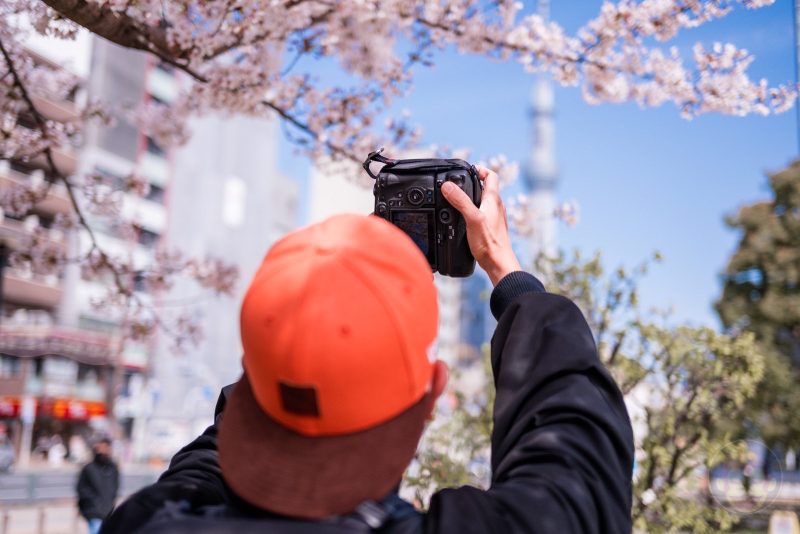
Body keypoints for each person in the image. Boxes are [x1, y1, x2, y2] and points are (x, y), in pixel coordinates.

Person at [103, 166, 634, 533]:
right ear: (430, 397)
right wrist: (506, 270)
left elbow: (205, 466)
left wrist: (296, 336)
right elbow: (575, 457)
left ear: (248, 397)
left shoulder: (148, 521)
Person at [77, 437, 119, 534]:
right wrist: (91, 503)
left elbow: (115, 487)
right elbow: (81, 488)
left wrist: (110, 503)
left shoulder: (113, 468)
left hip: (107, 511)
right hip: (92, 511)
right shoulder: (89, 468)